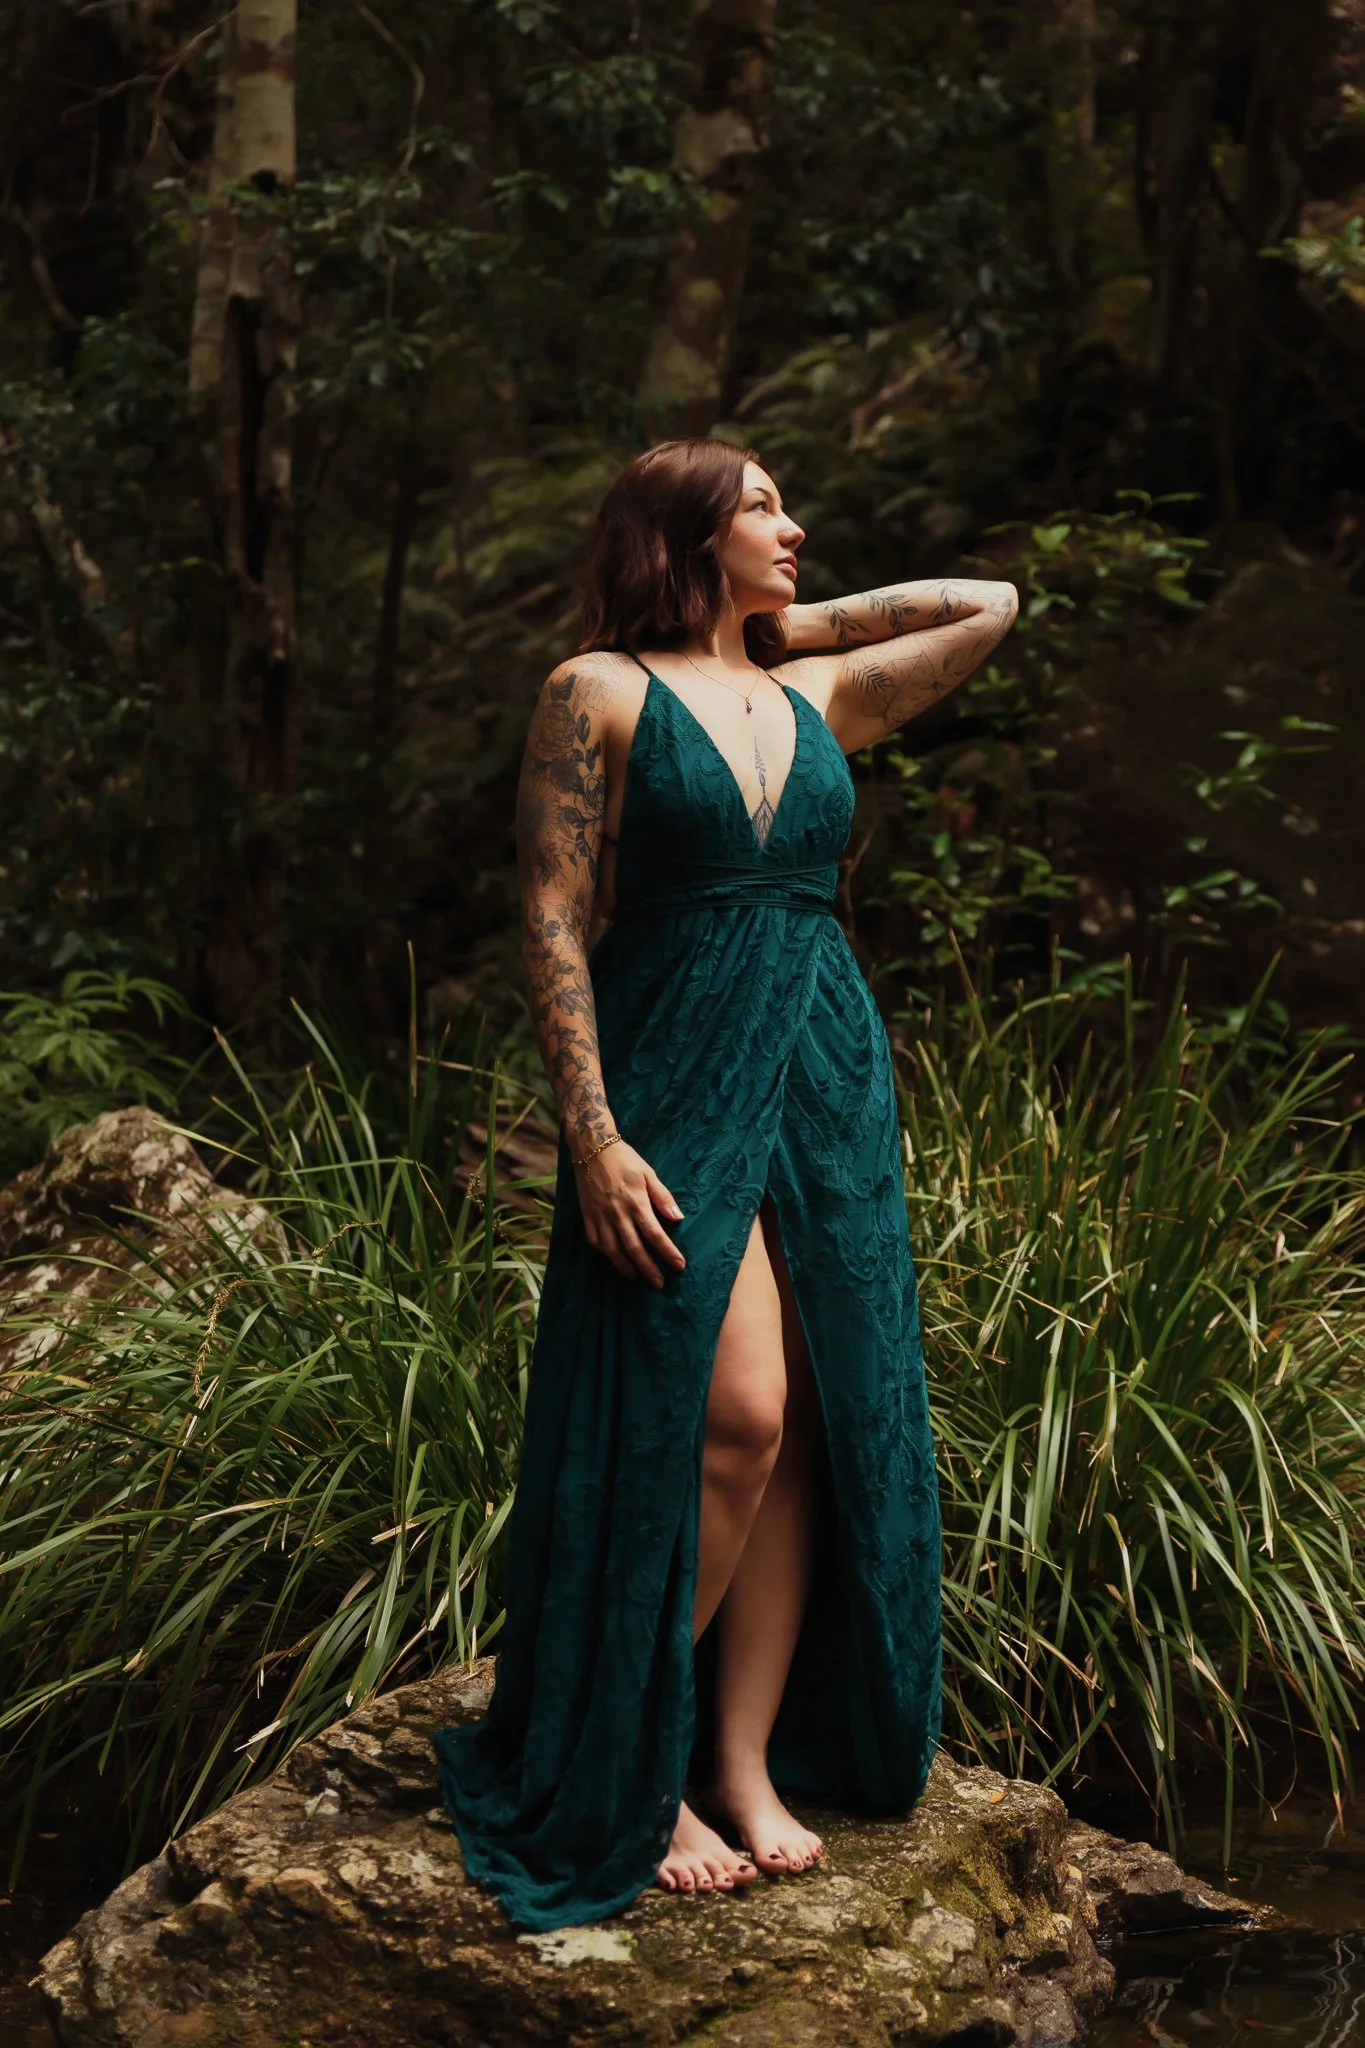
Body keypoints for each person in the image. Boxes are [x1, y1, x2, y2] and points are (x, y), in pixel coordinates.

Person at [431, 436, 1019, 1931]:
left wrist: (781, 629)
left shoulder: (812, 690)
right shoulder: (596, 691)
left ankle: (742, 1762)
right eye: (762, 506)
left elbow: (991, 605)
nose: (795, 525)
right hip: (673, 1057)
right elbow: (555, 918)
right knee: (738, 1408)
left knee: (816, 1409)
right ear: (683, 533)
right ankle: (632, 1742)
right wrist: (595, 1134)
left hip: (825, 1054)